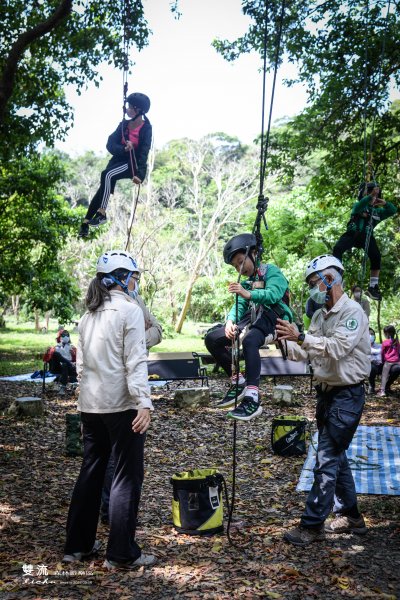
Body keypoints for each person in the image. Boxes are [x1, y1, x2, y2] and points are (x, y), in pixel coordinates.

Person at [63, 250, 155, 570]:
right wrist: (143, 402)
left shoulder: (87, 316)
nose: (135, 282)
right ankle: (121, 554)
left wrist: (83, 403)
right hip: (122, 406)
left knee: (92, 472)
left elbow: (82, 367)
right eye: (133, 276)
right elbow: (135, 362)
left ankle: (77, 546)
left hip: (91, 406)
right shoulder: (128, 311)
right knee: (126, 478)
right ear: (118, 278)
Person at [275, 254, 370, 546]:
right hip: (326, 395)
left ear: (330, 279)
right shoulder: (319, 316)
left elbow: (338, 347)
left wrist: (301, 336)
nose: (313, 289)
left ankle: (312, 524)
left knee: (326, 458)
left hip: (348, 395)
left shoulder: (352, 312)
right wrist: (283, 340)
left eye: (315, 282)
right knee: (337, 457)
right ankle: (352, 518)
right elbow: (307, 352)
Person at [204, 233, 293, 421]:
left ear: (254, 253)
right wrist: (230, 321)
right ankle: (239, 381)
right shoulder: (247, 283)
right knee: (213, 339)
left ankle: (253, 397)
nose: (239, 267)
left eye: (241, 261)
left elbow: (274, 294)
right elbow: (239, 306)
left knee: (251, 341)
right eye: (235, 265)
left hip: (275, 318)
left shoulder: (272, 272)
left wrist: (248, 293)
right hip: (253, 319)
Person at [100, 291, 162, 525]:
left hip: (123, 389)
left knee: (120, 461)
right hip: (117, 393)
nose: (135, 280)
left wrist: (136, 337)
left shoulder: (137, 301)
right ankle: (112, 516)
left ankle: (113, 515)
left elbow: (158, 331)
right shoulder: (103, 305)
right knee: (117, 462)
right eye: (132, 276)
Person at [78, 93, 152, 238]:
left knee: (107, 174)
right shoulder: (123, 125)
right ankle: (85, 224)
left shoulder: (146, 128)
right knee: (102, 189)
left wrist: (140, 174)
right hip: (118, 161)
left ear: (138, 110)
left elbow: (144, 151)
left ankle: (102, 213)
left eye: (130, 107)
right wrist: (123, 148)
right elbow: (110, 143)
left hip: (132, 164)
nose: (127, 109)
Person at [332, 182, 397, 301]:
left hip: (367, 236)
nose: (372, 195)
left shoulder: (377, 212)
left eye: (374, 193)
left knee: (376, 256)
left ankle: (373, 286)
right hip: (352, 234)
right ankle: (336, 280)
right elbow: (360, 205)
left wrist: (384, 203)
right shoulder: (359, 205)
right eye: (369, 192)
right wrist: (370, 196)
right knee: (337, 249)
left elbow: (393, 210)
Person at [43, 329, 77, 395]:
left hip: (69, 368)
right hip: (57, 367)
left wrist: (74, 354)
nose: (66, 337)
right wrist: (49, 352)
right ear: (59, 337)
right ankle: (68, 363)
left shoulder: (72, 348)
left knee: (65, 364)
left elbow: (78, 361)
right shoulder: (54, 348)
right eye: (63, 335)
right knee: (56, 354)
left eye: (67, 335)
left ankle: (63, 387)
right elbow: (45, 360)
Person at [378, 325, 400, 397]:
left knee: (384, 376)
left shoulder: (385, 342)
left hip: (388, 362)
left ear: (386, 333)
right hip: (397, 361)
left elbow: (382, 353)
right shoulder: (397, 341)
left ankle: (382, 391)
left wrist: (382, 361)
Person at [367, 327, 382, 394]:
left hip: (381, 366)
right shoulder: (361, 347)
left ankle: (385, 387)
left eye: (372, 334)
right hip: (369, 367)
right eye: (368, 334)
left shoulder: (380, 346)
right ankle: (371, 386)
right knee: (372, 367)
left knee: (396, 368)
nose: (370, 336)